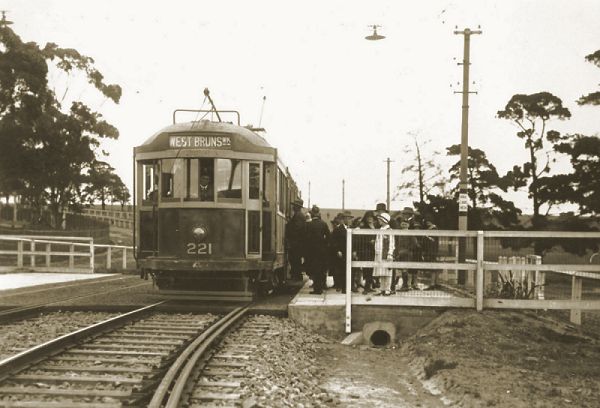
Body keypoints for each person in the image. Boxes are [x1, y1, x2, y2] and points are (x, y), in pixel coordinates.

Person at [304, 205, 331, 294]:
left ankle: (317, 289)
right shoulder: (323, 224)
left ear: (312, 213)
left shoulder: (309, 224)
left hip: (312, 251)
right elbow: (328, 237)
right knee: (320, 269)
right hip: (322, 251)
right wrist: (324, 244)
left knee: (314, 270)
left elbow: (306, 238)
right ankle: (320, 287)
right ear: (318, 213)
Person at [330, 210, 354, 293]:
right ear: (343, 219)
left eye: (350, 218)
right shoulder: (338, 229)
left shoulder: (351, 229)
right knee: (341, 270)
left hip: (349, 252)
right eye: (347, 218)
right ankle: (341, 287)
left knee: (349, 270)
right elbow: (333, 241)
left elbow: (354, 241)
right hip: (341, 253)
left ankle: (348, 287)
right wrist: (337, 250)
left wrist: (354, 251)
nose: (349, 220)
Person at [354, 210, 377, 293]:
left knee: (371, 269)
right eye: (368, 217)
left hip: (373, 251)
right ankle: (366, 287)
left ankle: (369, 286)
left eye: (371, 218)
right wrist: (369, 242)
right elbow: (359, 240)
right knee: (366, 269)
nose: (370, 219)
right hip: (365, 250)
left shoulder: (375, 226)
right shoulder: (362, 227)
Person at [373, 212, 395, 296]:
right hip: (379, 253)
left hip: (386, 254)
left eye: (380, 220)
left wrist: (390, 253)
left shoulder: (389, 230)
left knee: (387, 272)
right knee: (381, 272)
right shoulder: (380, 230)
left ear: (384, 220)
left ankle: (387, 289)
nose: (378, 221)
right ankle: (382, 289)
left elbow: (392, 243)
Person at [285, 198, 306, 281]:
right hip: (297, 242)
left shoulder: (298, 215)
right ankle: (296, 275)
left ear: (297, 207)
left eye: (294, 206)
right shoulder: (299, 215)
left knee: (295, 259)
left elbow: (297, 229)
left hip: (296, 243)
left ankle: (297, 276)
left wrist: (289, 227)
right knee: (295, 259)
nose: (293, 207)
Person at [423, 220, 441, 290]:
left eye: (429, 221)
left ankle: (433, 284)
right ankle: (436, 283)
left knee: (433, 268)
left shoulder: (434, 230)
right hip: (430, 250)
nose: (427, 222)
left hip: (432, 251)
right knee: (434, 267)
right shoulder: (429, 229)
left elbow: (432, 241)